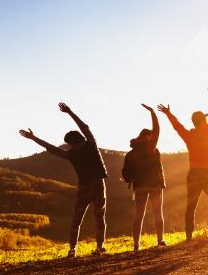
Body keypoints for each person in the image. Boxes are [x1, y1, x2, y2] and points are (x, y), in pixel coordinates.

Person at [19, 103, 108, 257]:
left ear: (72, 143)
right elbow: (84, 127)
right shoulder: (92, 145)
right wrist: (70, 112)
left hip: (84, 187)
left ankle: (72, 249)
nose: (69, 147)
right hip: (99, 184)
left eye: (69, 144)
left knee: (76, 220)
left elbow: (51, 148)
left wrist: (33, 138)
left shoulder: (71, 154)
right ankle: (100, 247)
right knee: (100, 217)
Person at [157, 81, 208, 241]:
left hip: (194, 173)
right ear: (203, 121)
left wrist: (168, 113)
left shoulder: (188, 135)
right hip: (207, 172)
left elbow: (177, 126)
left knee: (191, 207)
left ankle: (189, 237)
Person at [122, 104, 166, 251]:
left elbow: (125, 173)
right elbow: (158, 130)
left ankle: (136, 245)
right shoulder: (150, 147)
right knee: (157, 214)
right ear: (148, 136)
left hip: (139, 186)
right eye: (151, 135)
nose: (153, 137)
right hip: (154, 185)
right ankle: (160, 241)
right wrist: (153, 113)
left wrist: (131, 180)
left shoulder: (130, 153)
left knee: (138, 216)